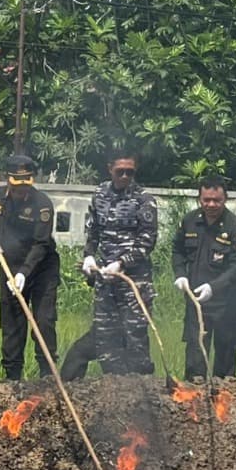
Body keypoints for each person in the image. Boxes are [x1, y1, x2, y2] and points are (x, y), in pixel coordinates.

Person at [0, 155, 59, 381]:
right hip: (9, 264)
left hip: (42, 268)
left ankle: (47, 373)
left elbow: (41, 243)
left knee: (43, 320)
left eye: (25, 187)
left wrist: (24, 272)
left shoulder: (42, 205)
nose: (21, 193)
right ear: (8, 181)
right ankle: (12, 376)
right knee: (12, 319)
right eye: (17, 187)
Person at [81, 151, 157, 375]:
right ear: (109, 169)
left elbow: (147, 241)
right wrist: (89, 255)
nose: (125, 176)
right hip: (105, 278)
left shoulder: (144, 200)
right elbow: (92, 230)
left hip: (134, 281)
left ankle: (140, 389)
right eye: (120, 171)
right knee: (105, 334)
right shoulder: (99, 194)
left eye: (130, 172)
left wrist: (122, 263)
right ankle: (113, 388)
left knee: (135, 334)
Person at [171, 176, 236, 381]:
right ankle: (193, 404)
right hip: (197, 303)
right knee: (195, 359)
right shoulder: (189, 221)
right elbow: (177, 250)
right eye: (206, 200)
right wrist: (180, 274)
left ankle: (223, 405)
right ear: (199, 198)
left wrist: (213, 288)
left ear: (225, 199)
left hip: (226, 305)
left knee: (225, 362)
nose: (211, 205)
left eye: (216, 200)